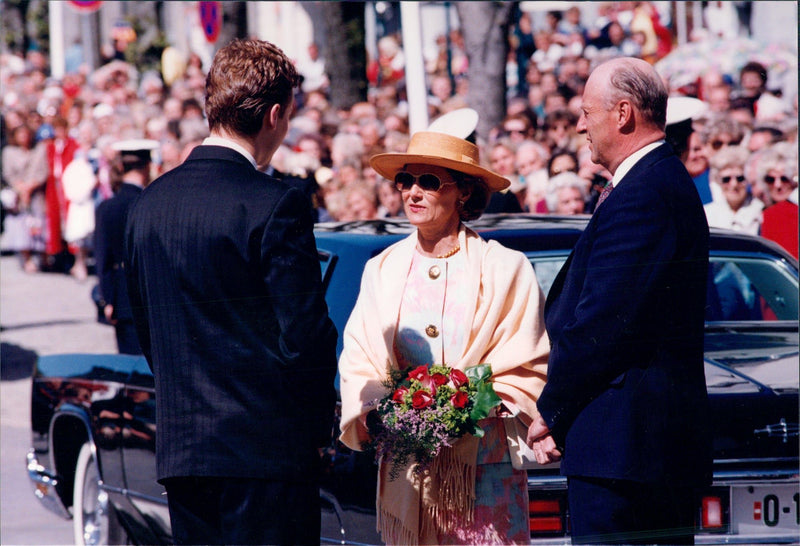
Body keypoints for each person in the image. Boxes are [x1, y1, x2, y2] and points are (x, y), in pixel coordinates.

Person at [125, 39, 338, 545]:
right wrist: (317, 432)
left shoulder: (149, 204)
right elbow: (304, 336)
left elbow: (149, 331)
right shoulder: (275, 204)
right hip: (266, 454)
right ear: (274, 115)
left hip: (185, 451)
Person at [527, 57, 711, 544]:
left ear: (624, 113)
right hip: (635, 450)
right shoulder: (652, 183)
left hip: (629, 455)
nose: (581, 124)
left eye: (588, 111)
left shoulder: (646, 192)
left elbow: (603, 323)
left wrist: (551, 409)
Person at [338, 131, 549, 545]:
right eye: (405, 180)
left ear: (464, 192)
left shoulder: (507, 269)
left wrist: (460, 401)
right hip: (408, 473)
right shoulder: (381, 269)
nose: (413, 192)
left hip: (485, 474)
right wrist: (379, 405)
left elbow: (527, 365)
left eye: (430, 182)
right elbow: (360, 357)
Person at [94, 139, 157, 355]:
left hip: (124, 297)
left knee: (131, 372)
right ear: (147, 166)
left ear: (121, 167)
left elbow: (103, 260)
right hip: (155, 295)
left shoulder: (107, 208)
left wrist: (108, 299)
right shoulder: (152, 203)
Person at [704, 146, 763, 235]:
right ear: (717, 181)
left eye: (740, 178)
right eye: (726, 179)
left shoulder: (761, 210)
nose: (734, 184)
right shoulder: (707, 214)